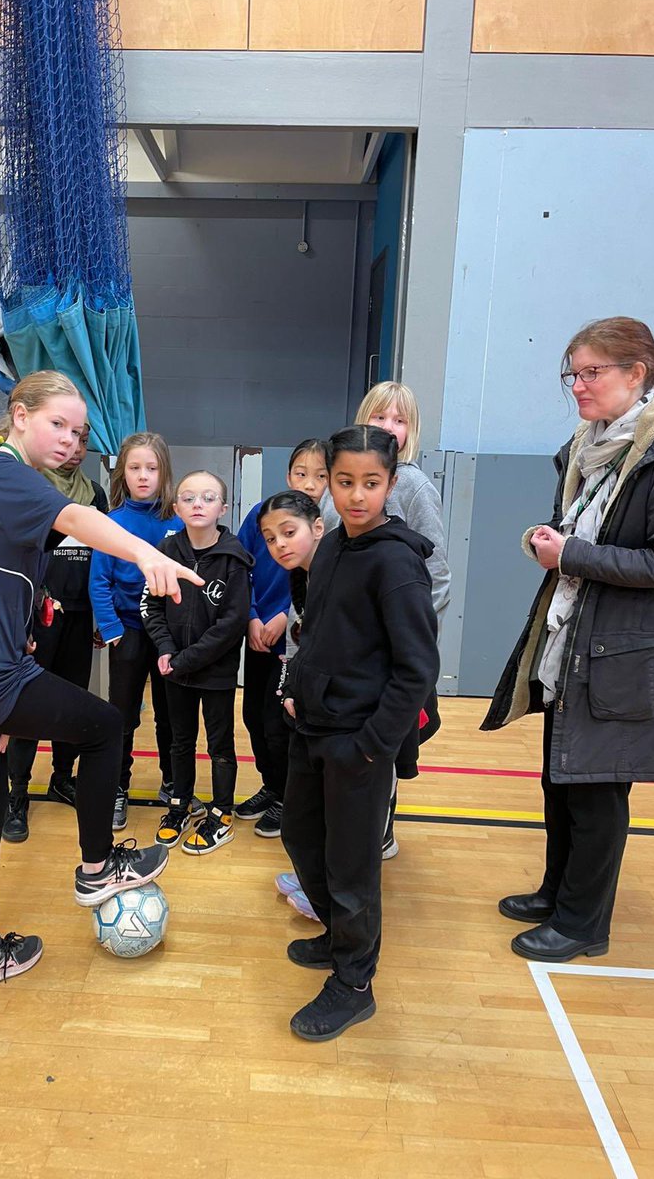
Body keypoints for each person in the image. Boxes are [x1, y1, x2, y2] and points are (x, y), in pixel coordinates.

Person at [0, 372, 202, 1004]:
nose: (70, 439)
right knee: (106, 727)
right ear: (19, 415)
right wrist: (148, 556)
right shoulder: (4, 472)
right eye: (57, 424)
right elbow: (77, 517)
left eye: (79, 431)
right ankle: (97, 868)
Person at [482, 317, 654, 962]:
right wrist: (554, 539)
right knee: (561, 779)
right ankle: (558, 894)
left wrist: (570, 554)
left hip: (623, 653)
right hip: (578, 642)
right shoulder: (594, 446)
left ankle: (583, 925)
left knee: (595, 791)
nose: (577, 386)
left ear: (637, 374)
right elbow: (588, 531)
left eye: (592, 372)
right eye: (573, 373)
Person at [281, 425, 439, 1041]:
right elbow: (319, 633)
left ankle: (353, 984)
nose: (355, 495)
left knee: (351, 868)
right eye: (343, 481)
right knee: (301, 837)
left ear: (390, 484)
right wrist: (298, 689)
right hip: (312, 727)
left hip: (358, 742)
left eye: (370, 483)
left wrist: (372, 746)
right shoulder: (332, 549)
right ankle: (336, 936)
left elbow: (416, 670)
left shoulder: (397, 564)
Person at [2, 419, 109, 842]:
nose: (76, 447)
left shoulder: (95, 494)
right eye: (69, 438)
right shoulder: (32, 489)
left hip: (80, 616)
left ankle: (62, 777)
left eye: (83, 440)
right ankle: (17, 794)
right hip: (38, 617)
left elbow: (103, 560)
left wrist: (100, 616)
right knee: (28, 706)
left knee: (71, 701)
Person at [356, 382, 449, 856]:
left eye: (400, 420)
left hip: (386, 654)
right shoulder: (341, 482)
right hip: (342, 651)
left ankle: (377, 834)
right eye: (380, 417)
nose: (389, 428)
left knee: (381, 747)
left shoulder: (413, 487)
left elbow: (438, 576)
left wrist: (408, 643)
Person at [142, 471, 254, 854]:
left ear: (223, 508)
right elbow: (151, 606)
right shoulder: (166, 551)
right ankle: (180, 804)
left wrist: (185, 659)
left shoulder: (234, 559)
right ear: (176, 508)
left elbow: (231, 624)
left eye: (208, 498)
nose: (198, 504)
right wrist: (165, 649)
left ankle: (222, 813)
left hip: (214, 673)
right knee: (180, 741)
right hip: (175, 670)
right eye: (188, 498)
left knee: (220, 745)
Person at [89, 431, 184, 832]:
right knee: (122, 715)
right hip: (127, 631)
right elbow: (98, 581)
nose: (143, 476)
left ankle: (172, 783)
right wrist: (112, 629)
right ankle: (117, 788)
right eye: (135, 468)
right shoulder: (111, 523)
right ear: (122, 473)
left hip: (168, 637)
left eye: (151, 468)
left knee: (170, 715)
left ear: (164, 473)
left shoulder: (177, 522)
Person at [235, 439, 330, 838]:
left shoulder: (328, 528)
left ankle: (288, 797)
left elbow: (312, 590)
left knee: (279, 725)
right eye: (301, 474)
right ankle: (272, 785)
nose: (309, 483)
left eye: (320, 476)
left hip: (290, 645)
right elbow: (239, 567)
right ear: (288, 475)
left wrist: (280, 618)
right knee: (253, 717)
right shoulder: (263, 515)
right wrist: (252, 617)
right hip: (257, 635)